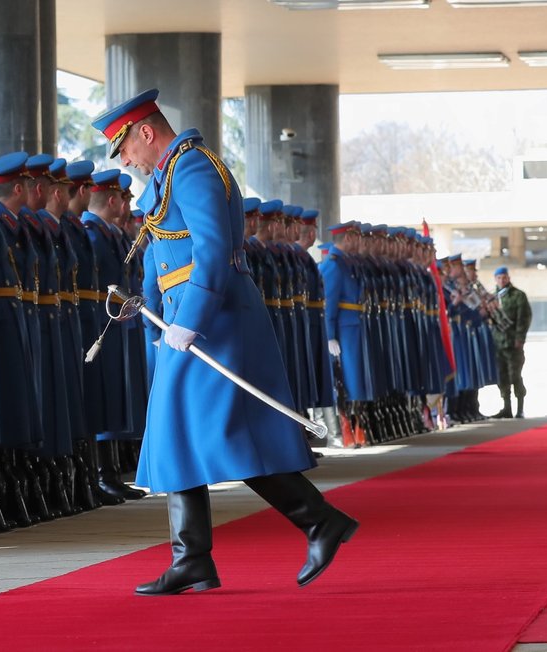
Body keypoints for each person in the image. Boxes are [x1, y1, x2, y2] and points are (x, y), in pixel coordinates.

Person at [92, 89, 357, 595]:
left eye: (125, 147)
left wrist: (188, 320)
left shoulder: (193, 168)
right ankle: (194, 557)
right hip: (188, 321)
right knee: (181, 432)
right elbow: (158, 255)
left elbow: (212, 252)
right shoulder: (169, 173)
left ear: (146, 132)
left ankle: (316, 521)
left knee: (223, 432)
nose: (125, 159)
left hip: (216, 321)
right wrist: (150, 318)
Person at [490, 266, 532, 419]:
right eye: (499, 278)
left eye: (504, 277)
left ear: (508, 278)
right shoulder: (492, 297)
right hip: (498, 343)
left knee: (515, 376)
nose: (502, 280)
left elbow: (524, 317)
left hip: (513, 343)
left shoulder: (518, 296)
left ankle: (520, 408)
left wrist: (520, 338)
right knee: (502, 377)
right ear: (495, 279)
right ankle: (506, 407)